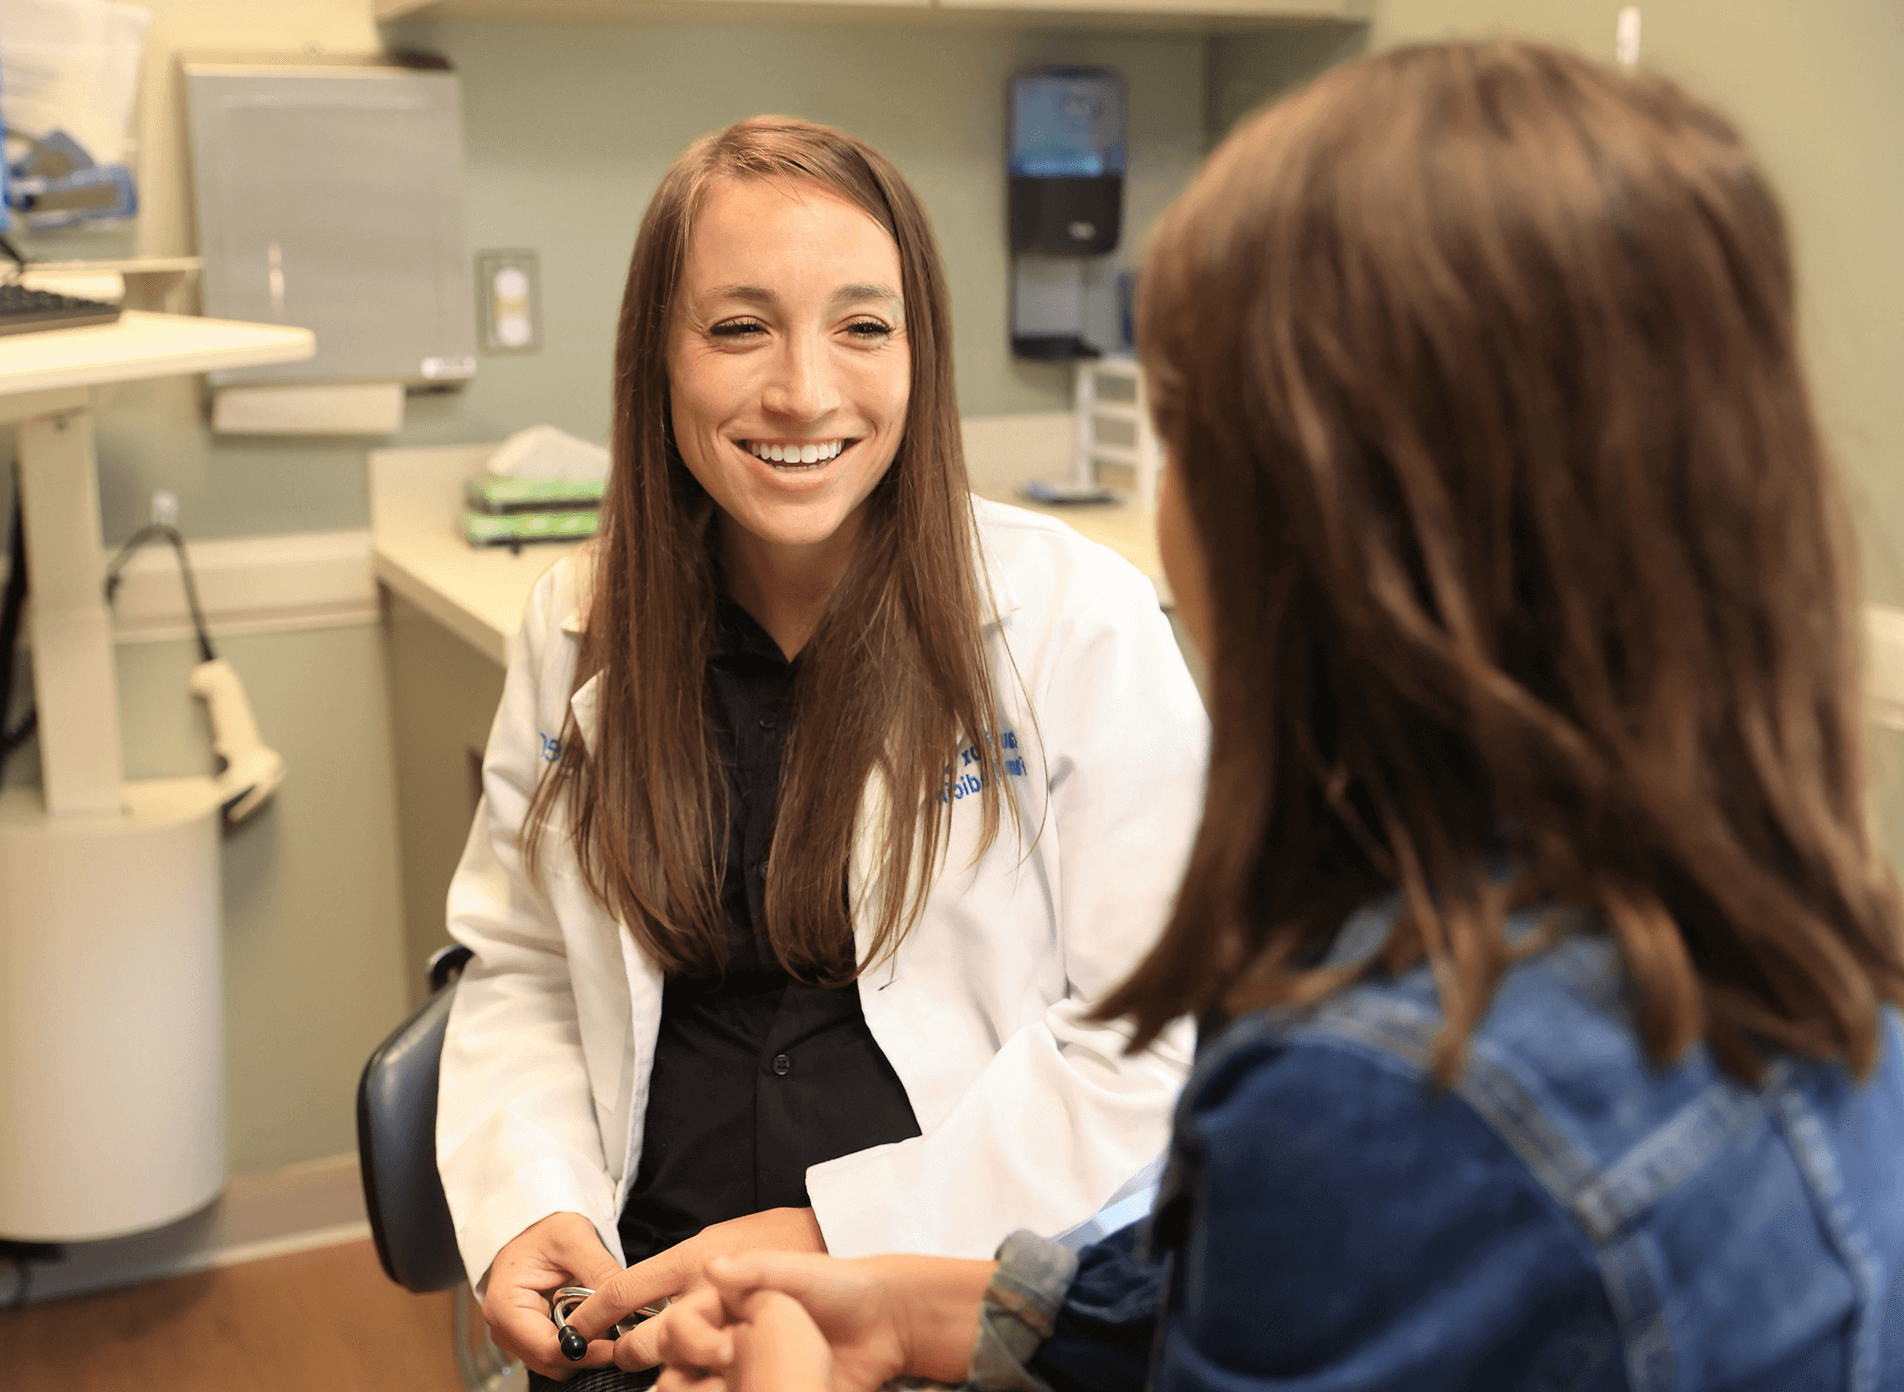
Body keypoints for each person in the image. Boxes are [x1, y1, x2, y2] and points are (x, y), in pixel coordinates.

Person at [645, 41, 1904, 1392]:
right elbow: (1227, 1281)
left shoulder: (1377, 1099)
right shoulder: (1802, 959)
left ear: (1332, 520)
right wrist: (927, 1312)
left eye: (1182, 428)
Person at [436, 115, 1208, 1386]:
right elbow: (520, 967)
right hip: (641, 1308)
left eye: (863, 326)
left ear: (921, 352)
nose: (804, 391)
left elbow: (1147, 1037)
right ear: (657, 361)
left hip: (949, 1295)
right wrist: (534, 1201)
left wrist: (843, 1241)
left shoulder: (1077, 621)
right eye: (740, 327)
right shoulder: (576, 628)